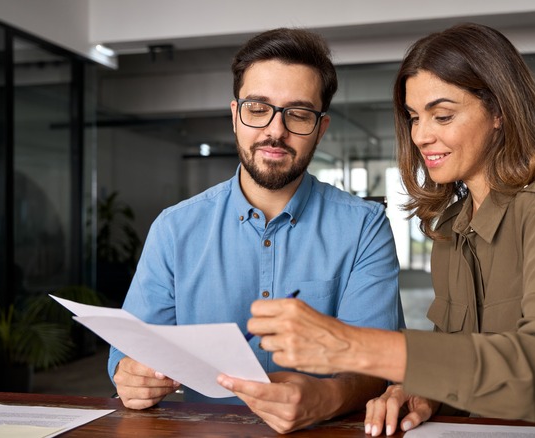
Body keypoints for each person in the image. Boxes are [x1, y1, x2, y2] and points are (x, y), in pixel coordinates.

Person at [240, 23, 535, 436]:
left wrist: (352, 346)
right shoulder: (452, 227)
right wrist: (425, 391)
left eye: (442, 116)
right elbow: (463, 350)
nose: (421, 136)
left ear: (499, 112)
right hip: (500, 420)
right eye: (413, 117)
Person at [107, 27, 404, 434]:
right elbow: (129, 350)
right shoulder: (175, 229)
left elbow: (378, 365)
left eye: (298, 114)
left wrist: (325, 398)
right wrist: (129, 374)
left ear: (321, 128)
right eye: (258, 108)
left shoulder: (364, 228)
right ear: (235, 115)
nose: (275, 131)